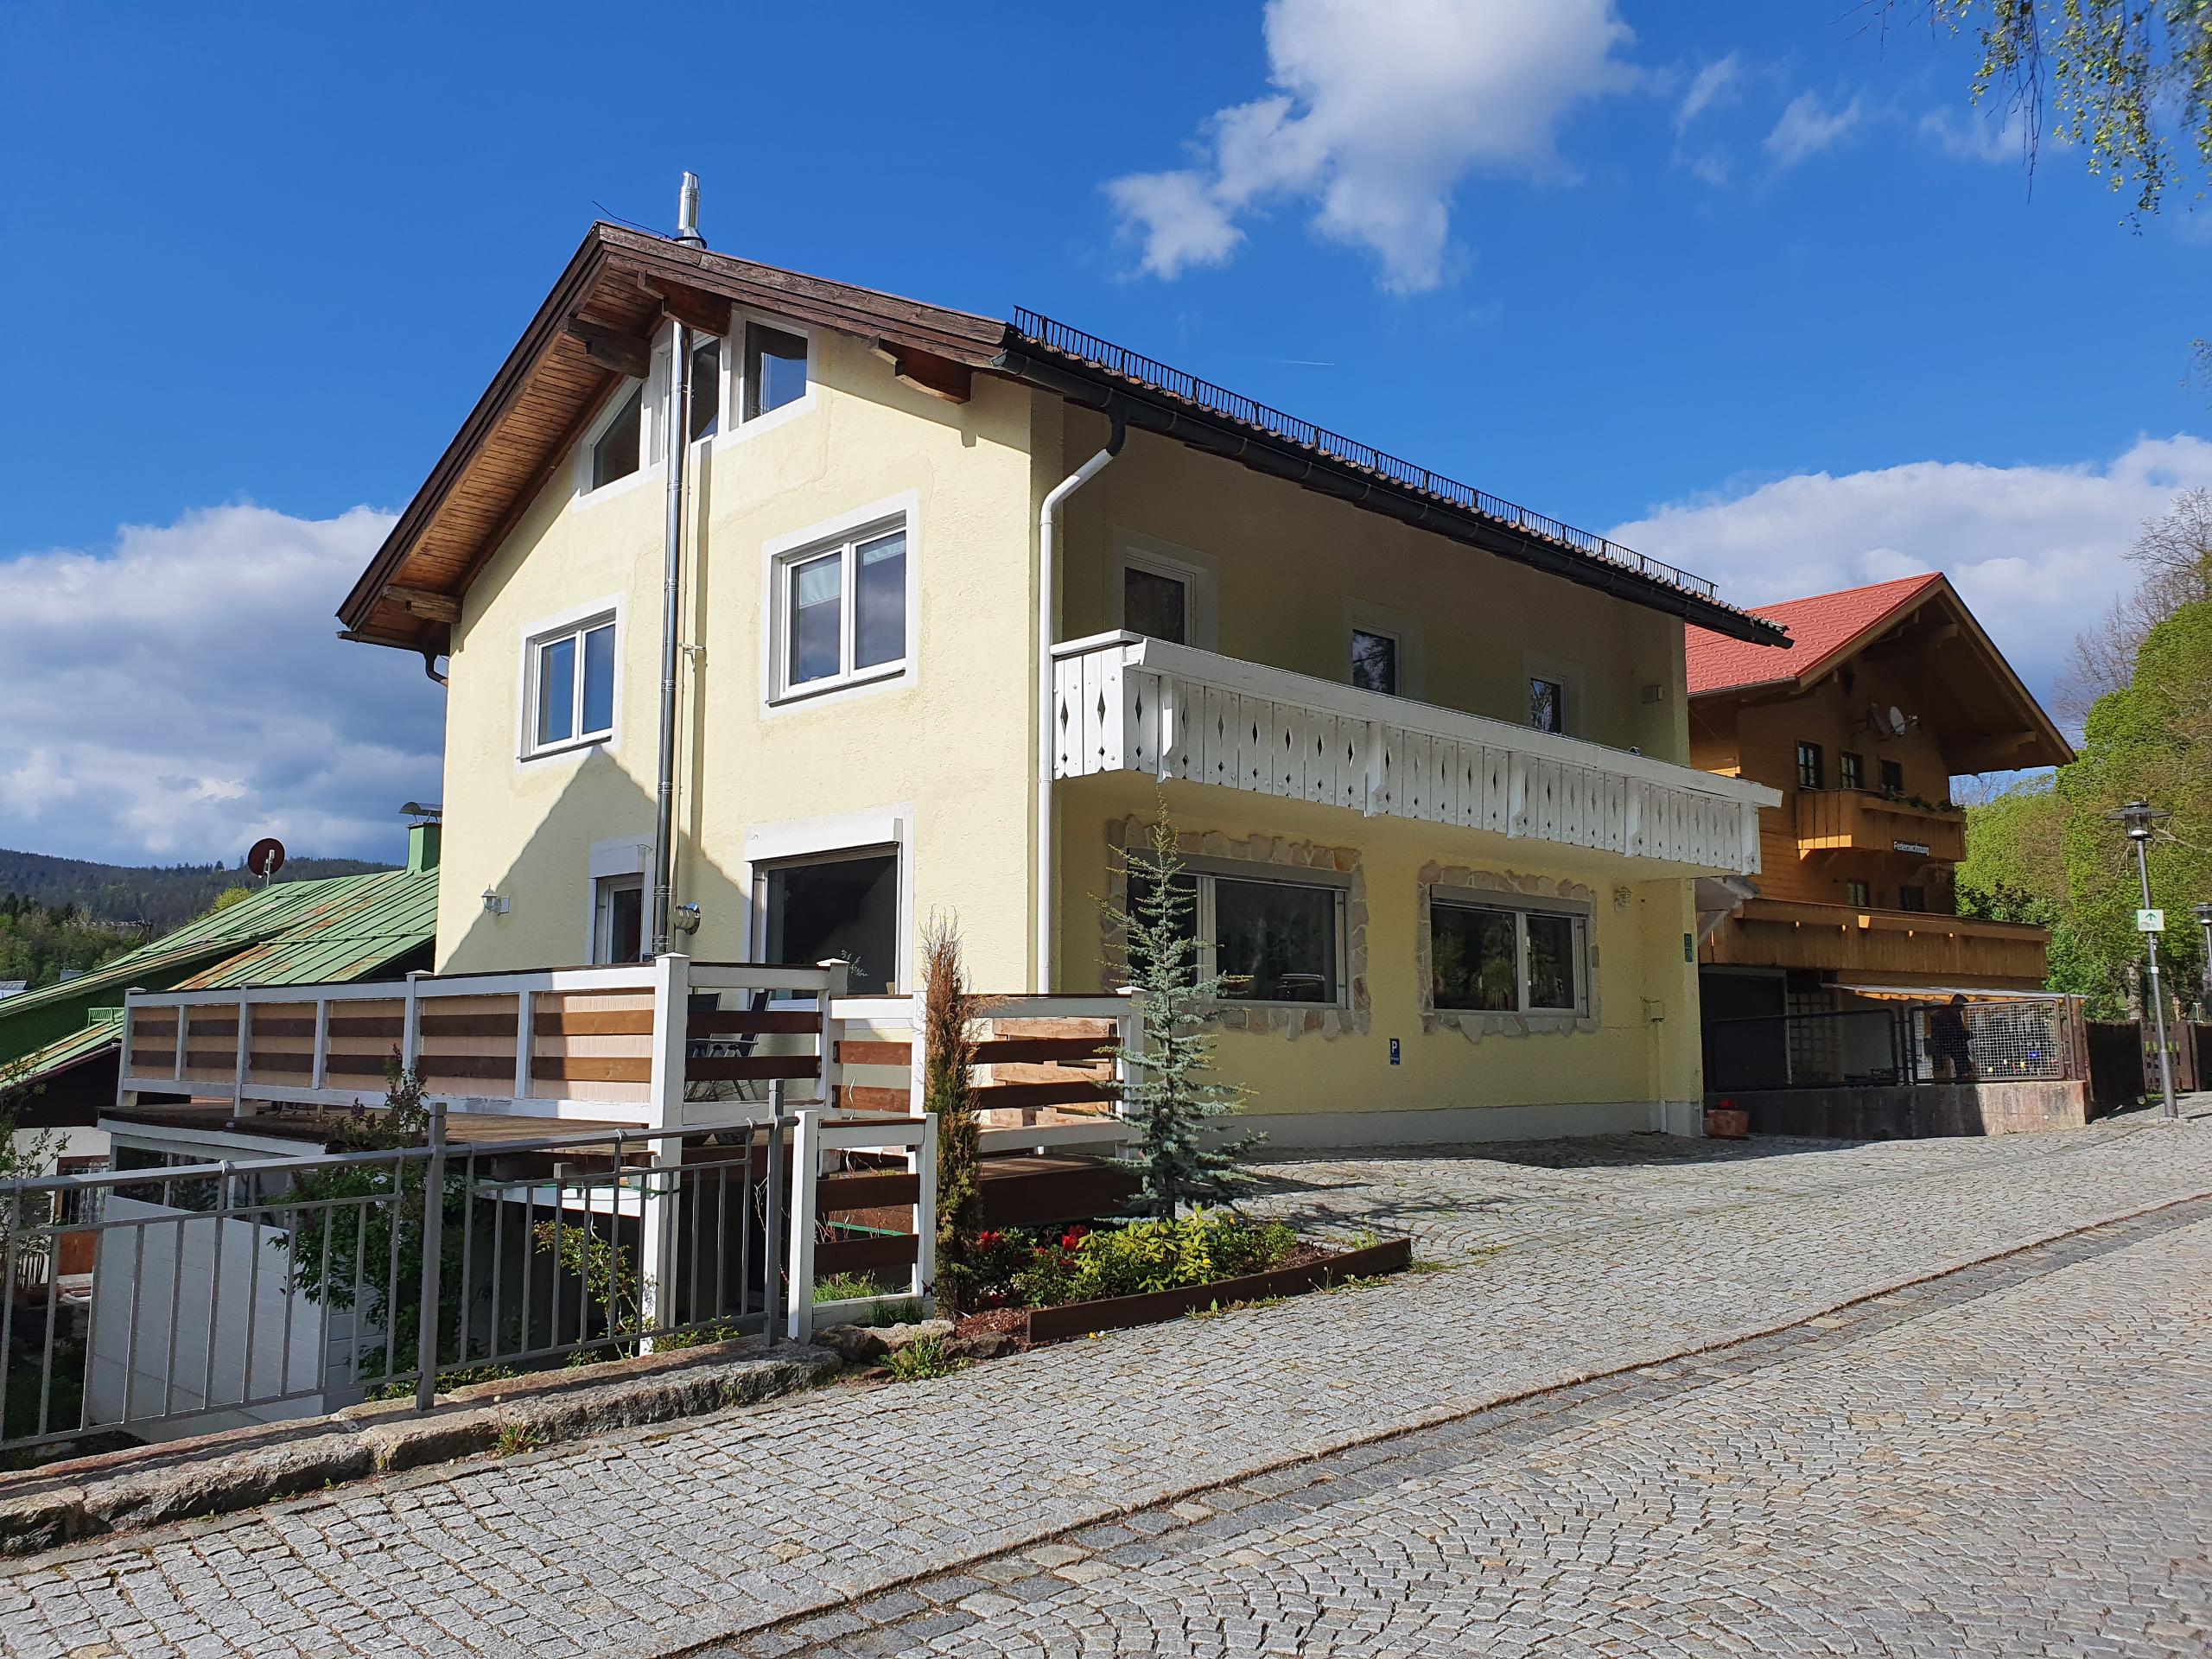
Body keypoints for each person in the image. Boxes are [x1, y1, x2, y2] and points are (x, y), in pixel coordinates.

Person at [1929, 994, 1974, 1082]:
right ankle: (1962, 1076)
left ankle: (1964, 1075)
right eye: (1963, 1006)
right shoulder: (1947, 1014)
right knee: (1958, 1062)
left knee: (1961, 1061)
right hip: (1951, 1044)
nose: (1963, 1009)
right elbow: (1950, 1031)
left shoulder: (1954, 1014)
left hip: (1955, 1044)